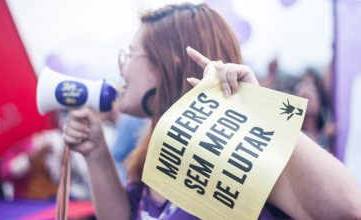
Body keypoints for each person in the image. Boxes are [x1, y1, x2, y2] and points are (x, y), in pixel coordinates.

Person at [62, 3, 361, 220]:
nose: (122, 67)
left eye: (130, 54)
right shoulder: (157, 147)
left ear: (168, 63)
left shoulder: (240, 151)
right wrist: (96, 151)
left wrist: (262, 112)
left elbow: (348, 209)